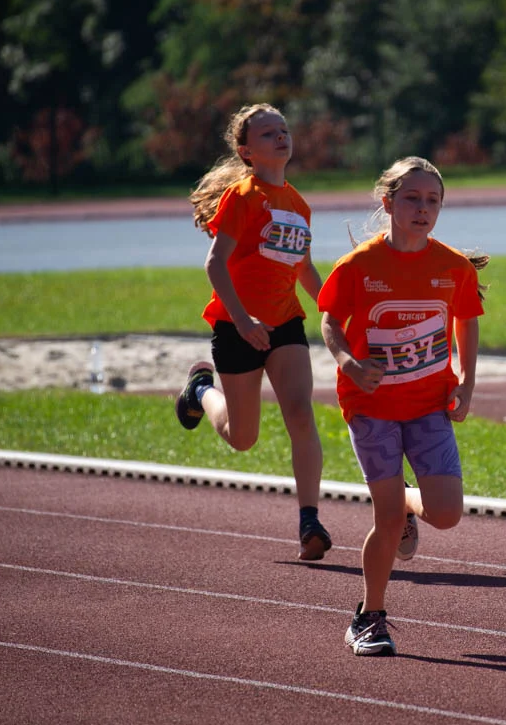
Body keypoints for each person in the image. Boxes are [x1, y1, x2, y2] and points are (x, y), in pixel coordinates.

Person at [318, 156, 487, 656]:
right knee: (387, 517)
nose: (423, 208)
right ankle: (369, 618)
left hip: (429, 405)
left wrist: (467, 381)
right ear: (388, 203)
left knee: (448, 513)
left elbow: (467, 321)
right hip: (371, 406)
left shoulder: (451, 267)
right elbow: (330, 322)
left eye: (433, 200)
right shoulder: (360, 267)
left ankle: (412, 501)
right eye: (412, 198)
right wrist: (348, 362)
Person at [174, 103, 331, 561]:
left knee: (300, 412)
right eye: (267, 134)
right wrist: (243, 320)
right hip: (237, 327)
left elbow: (303, 268)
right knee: (243, 438)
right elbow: (215, 264)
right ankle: (200, 388)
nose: (281, 137)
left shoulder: (299, 204)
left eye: (283, 129)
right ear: (246, 151)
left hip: (285, 325)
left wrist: (334, 312)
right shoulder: (242, 197)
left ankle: (309, 520)